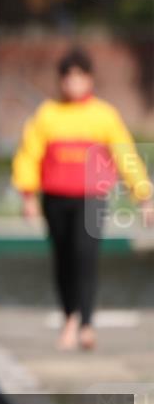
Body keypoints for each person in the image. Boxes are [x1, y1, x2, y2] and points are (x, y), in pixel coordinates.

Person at [11, 46, 153, 351]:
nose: (74, 83)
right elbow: (28, 155)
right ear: (61, 80)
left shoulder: (103, 116)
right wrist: (27, 195)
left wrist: (144, 197)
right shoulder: (47, 115)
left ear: (89, 79)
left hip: (92, 198)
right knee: (63, 259)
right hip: (56, 197)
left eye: (80, 76)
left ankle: (86, 323)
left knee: (85, 256)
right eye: (68, 77)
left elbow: (125, 155)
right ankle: (69, 318)